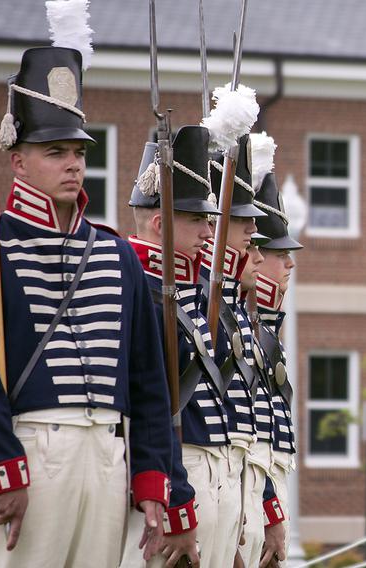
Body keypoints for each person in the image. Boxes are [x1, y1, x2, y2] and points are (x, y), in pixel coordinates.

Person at [0, 46, 173, 567]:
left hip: (107, 453)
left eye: (78, 151)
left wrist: (151, 474)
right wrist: (2, 464)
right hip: (30, 449)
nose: (73, 164)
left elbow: (148, 379)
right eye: (55, 152)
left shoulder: (117, 254)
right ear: (18, 159)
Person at [122, 126, 234, 567]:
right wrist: (179, 502)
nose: (210, 231)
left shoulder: (187, 295)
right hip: (170, 476)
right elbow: (155, 405)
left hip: (209, 474)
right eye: (196, 219)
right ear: (158, 223)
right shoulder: (142, 293)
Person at [201, 132, 275, 568]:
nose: (254, 235)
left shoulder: (238, 318)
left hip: (233, 484)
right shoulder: (198, 305)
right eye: (242, 221)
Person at [246, 168, 303, 567]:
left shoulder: (266, 326)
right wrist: (269, 513)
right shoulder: (246, 326)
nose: (289, 265)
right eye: (280, 255)